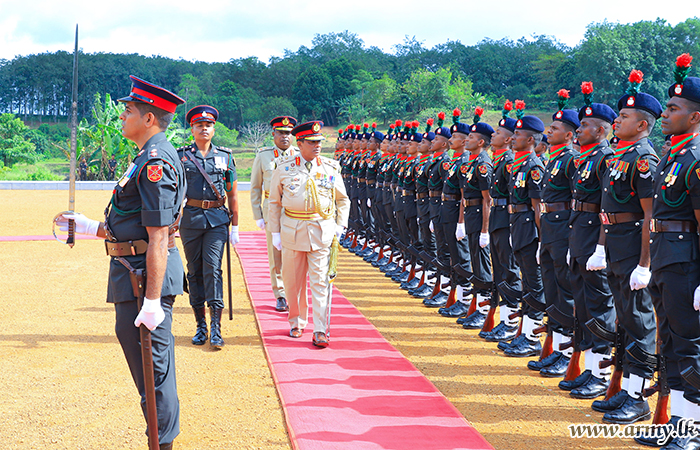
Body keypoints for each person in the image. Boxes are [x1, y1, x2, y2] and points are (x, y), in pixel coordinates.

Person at [56, 75, 185, 449]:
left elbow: (159, 236)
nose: (122, 117)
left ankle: (162, 445)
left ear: (149, 119)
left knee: (155, 378)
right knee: (149, 377)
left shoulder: (155, 162)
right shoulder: (144, 158)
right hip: (133, 274)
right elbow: (134, 225)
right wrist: (88, 226)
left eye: (128, 111)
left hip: (145, 280)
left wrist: (151, 302)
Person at [587, 69, 661, 425]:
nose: (618, 120)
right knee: (625, 322)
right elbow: (606, 210)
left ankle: (637, 397)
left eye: (626, 116)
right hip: (615, 243)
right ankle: (624, 389)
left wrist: (645, 263)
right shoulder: (619, 157)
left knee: (640, 322)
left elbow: (650, 216)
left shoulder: (644, 160)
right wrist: (602, 248)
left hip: (634, 245)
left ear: (643, 125)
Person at [645, 53, 700, 449]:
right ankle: (678, 421)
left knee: (690, 346)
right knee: (671, 344)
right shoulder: (673, 155)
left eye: (674, 108)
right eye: (666, 107)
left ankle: (693, 428)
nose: (666, 114)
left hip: (685, 263)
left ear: (695, 117)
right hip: (665, 257)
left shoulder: (695, 160)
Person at [267, 121, 350, 348]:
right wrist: (275, 232)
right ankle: (296, 321)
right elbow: (274, 203)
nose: (317, 146)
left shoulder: (330, 168)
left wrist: (340, 227)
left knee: (321, 282)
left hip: (321, 231)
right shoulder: (283, 168)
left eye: (319, 142)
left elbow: (343, 200)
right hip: (292, 230)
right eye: (312, 142)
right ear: (299, 143)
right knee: (293, 282)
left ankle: (321, 329)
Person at [562, 82, 617, 399]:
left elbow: (605, 208)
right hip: (578, 234)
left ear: (602, 130)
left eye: (584, 125)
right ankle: (589, 368)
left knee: (599, 307)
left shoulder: (605, 159)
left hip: (594, 238)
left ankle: (601, 373)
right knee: (582, 305)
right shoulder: (585, 158)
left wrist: (599, 248)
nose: (578, 130)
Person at [177, 105, 239, 349]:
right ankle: (200, 325)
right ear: (192, 129)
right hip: (190, 219)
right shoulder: (181, 156)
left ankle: (216, 328)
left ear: (214, 129)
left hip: (217, 219)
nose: (204, 128)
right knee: (194, 271)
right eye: (199, 125)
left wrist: (235, 227)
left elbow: (233, 194)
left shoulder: (225, 156)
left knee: (212, 268)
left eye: (208, 125)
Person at [529, 90, 579, 377]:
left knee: (565, 291)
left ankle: (569, 353)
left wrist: (571, 239)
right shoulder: (555, 159)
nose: (549, 132)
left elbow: (577, 201)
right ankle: (557, 349)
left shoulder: (571, 159)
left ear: (569, 135)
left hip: (563, 229)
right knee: (553, 292)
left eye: (555, 128)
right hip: (549, 229)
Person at [501, 103, 547, 358]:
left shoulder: (534, 166)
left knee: (534, 283)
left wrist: (541, 239)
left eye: (518, 135)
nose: (513, 138)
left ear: (530, 139)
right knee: (528, 283)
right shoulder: (518, 165)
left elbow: (537, 207)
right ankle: (524, 332)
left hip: (530, 229)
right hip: (517, 225)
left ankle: (532, 337)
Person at [249, 116, 298, 312]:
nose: (285, 136)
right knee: (275, 255)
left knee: (294, 255)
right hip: (273, 212)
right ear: (273, 135)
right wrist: (258, 215)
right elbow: (255, 188)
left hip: (295, 212)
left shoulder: (300, 155)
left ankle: (293, 291)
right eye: (281, 133)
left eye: (288, 133)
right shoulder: (263, 156)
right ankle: (280, 294)